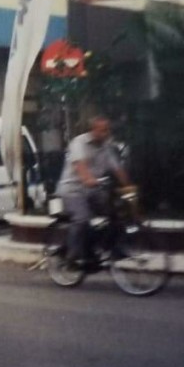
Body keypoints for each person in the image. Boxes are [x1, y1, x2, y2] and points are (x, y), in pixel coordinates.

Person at [56, 115, 133, 268]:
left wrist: (128, 186)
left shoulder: (106, 147)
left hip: (95, 190)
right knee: (82, 219)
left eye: (108, 130)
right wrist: (89, 179)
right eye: (103, 130)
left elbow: (117, 169)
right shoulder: (79, 143)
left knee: (118, 213)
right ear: (93, 130)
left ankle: (109, 249)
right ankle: (72, 256)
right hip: (73, 190)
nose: (106, 133)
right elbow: (82, 168)